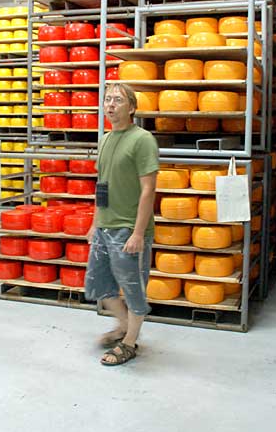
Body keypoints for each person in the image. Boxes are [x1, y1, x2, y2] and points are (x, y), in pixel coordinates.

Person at [84, 82, 159, 366]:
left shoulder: (143, 140)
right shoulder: (105, 139)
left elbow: (148, 189)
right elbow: (101, 185)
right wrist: (95, 222)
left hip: (129, 229)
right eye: (107, 99)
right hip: (105, 226)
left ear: (132, 108)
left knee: (133, 289)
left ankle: (129, 343)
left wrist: (138, 233)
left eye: (118, 99)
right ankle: (125, 325)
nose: (111, 105)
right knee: (98, 285)